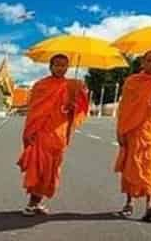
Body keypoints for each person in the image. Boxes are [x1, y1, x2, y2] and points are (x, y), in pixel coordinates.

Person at [16, 54, 89, 216]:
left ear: (68, 67)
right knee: (40, 168)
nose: (60, 68)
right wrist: (30, 131)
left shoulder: (73, 86)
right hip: (41, 133)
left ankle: (38, 202)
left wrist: (73, 106)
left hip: (59, 134)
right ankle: (31, 204)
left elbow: (80, 110)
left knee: (51, 170)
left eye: (64, 65)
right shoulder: (40, 85)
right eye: (57, 65)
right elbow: (34, 110)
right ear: (50, 66)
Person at [114, 50, 151, 222]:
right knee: (132, 167)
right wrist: (120, 130)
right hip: (133, 130)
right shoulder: (132, 82)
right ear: (142, 62)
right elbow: (125, 107)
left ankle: (150, 205)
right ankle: (129, 202)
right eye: (149, 61)